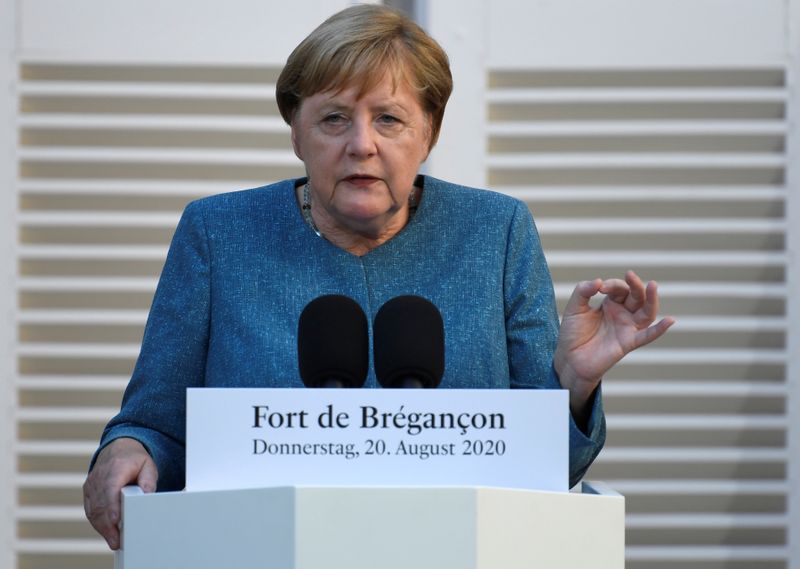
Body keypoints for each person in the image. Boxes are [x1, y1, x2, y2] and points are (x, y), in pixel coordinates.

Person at [83, 4, 674, 550]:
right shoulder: (217, 233)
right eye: (334, 118)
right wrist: (126, 450)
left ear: (429, 133)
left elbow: (542, 470)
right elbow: (153, 423)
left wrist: (570, 383)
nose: (360, 145)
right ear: (295, 132)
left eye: (389, 119)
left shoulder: (497, 232)